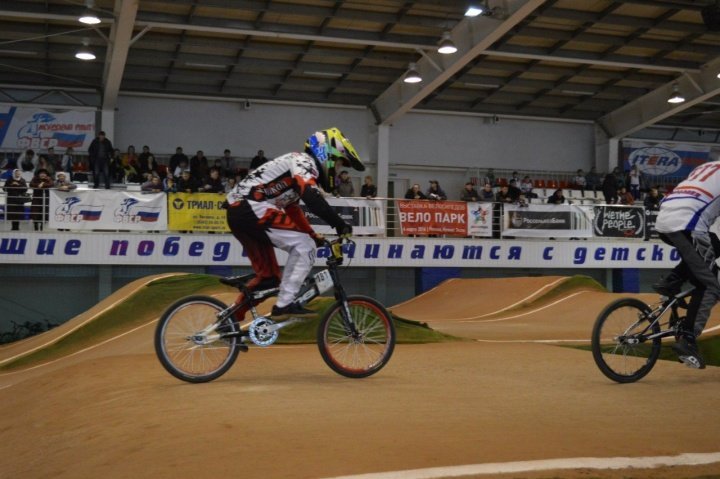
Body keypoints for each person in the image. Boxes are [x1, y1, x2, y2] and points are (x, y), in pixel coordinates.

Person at [225, 127, 360, 318]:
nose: (337, 171)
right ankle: (284, 305)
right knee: (305, 246)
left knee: (269, 279)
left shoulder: (294, 170)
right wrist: (340, 224)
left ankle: (230, 319)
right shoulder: (304, 161)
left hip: (240, 213)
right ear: (326, 154)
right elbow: (311, 197)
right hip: (251, 207)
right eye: (337, 164)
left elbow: (292, 209)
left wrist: (313, 234)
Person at [652, 160, 720, 369]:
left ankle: (672, 281)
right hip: (688, 225)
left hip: (665, 219)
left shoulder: (707, 166)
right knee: (711, 284)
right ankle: (688, 339)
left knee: (713, 247)